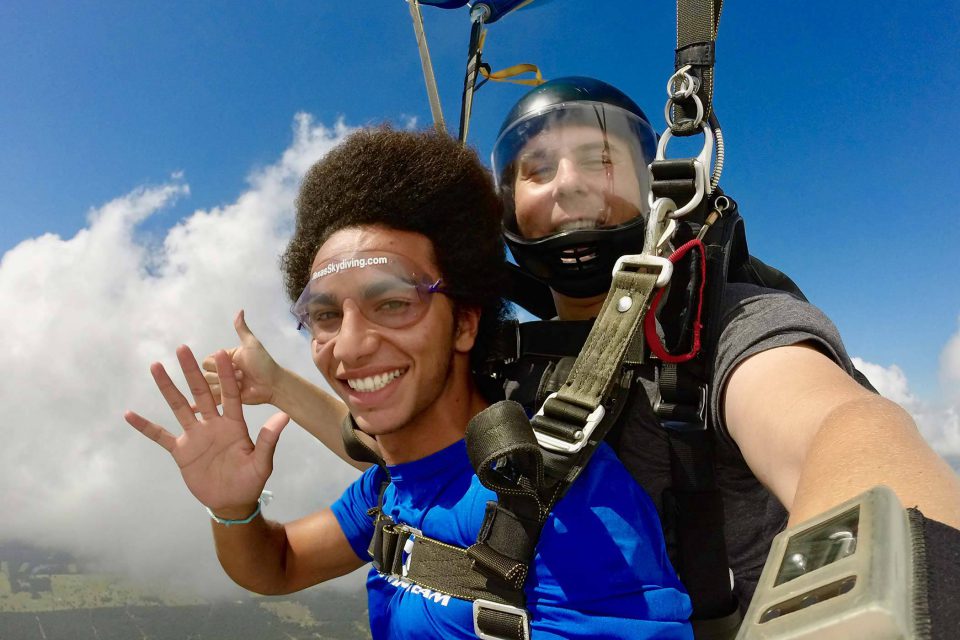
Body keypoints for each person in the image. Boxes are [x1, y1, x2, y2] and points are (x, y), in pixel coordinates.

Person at [201, 78, 960, 621]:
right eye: (535, 169)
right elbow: (382, 437)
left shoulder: (719, 326)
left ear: (656, 184)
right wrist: (274, 386)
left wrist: (882, 597)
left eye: (599, 160)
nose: (566, 187)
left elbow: (842, 430)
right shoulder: (503, 357)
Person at [125, 127, 694, 639]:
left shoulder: (567, 505)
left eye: (393, 304)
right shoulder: (387, 488)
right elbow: (276, 564)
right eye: (325, 316)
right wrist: (233, 509)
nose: (349, 345)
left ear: (465, 323)